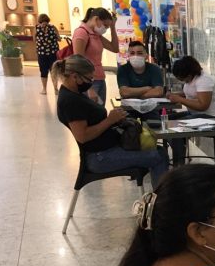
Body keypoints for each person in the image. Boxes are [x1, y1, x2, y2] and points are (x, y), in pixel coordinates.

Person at [53, 55, 168, 188]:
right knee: (158, 156)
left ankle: (160, 197)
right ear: (74, 76)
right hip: (100, 157)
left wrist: (115, 119)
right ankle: (161, 201)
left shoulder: (74, 94)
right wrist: (109, 120)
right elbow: (83, 136)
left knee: (157, 149)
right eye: (88, 78)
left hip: (106, 149)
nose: (90, 82)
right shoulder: (70, 101)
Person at [72, 7, 119, 106]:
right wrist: (88, 88)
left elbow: (115, 48)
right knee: (92, 115)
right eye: (105, 25)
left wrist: (112, 27)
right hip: (89, 82)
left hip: (100, 78)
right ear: (96, 19)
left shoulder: (96, 34)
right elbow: (78, 61)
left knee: (99, 113)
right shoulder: (81, 32)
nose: (105, 29)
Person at [35, 14, 60, 95]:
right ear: (48, 20)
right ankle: (56, 90)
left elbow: (34, 39)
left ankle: (44, 90)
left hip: (42, 54)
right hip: (53, 53)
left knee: (43, 71)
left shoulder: (36, 28)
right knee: (54, 71)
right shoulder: (53, 27)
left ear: (39, 20)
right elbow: (59, 39)